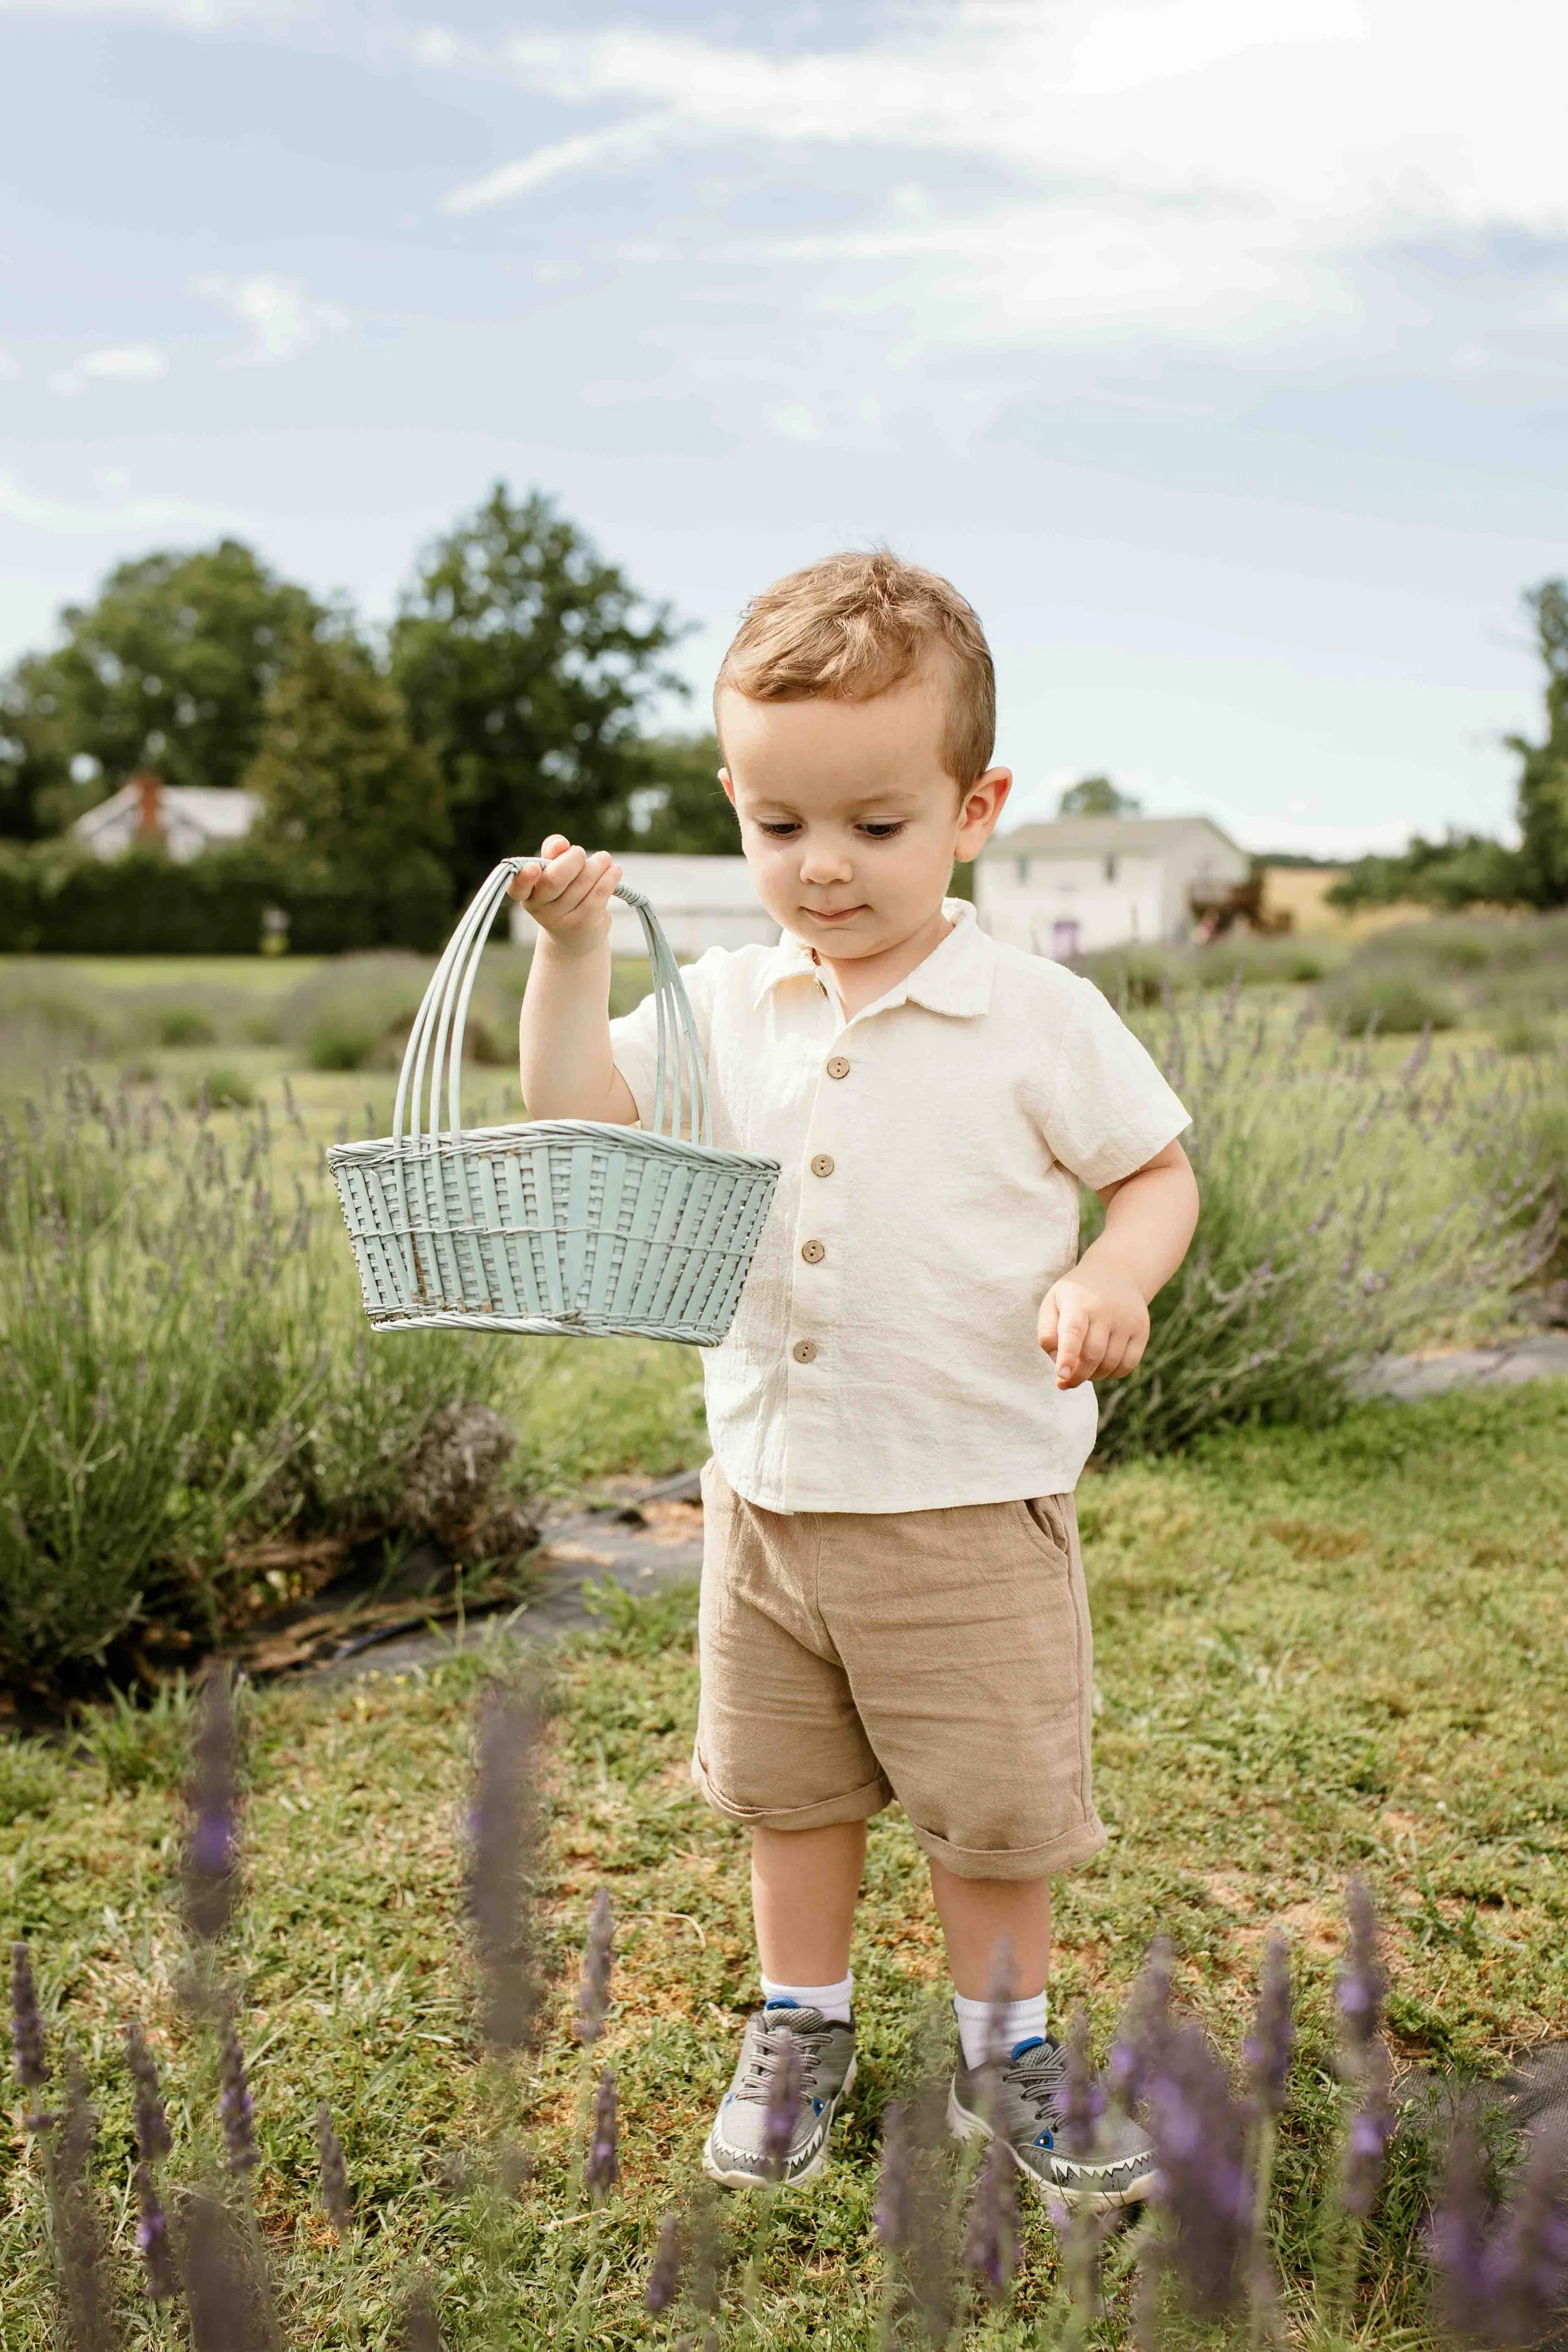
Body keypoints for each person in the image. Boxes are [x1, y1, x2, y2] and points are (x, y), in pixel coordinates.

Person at [510, 551, 1199, 2210]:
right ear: (737, 807)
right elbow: (580, 1115)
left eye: (873, 826)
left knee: (993, 1808)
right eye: (776, 826)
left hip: (965, 1496)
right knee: (791, 1793)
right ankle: (800, 2019)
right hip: (767, 1500)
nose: (819, 869)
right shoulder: (727, 1002)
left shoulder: (1031, 1012)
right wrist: (572, 955)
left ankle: (1002, 2042)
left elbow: (1156, 1172)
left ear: (974, 808)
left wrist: (1110, 1275)